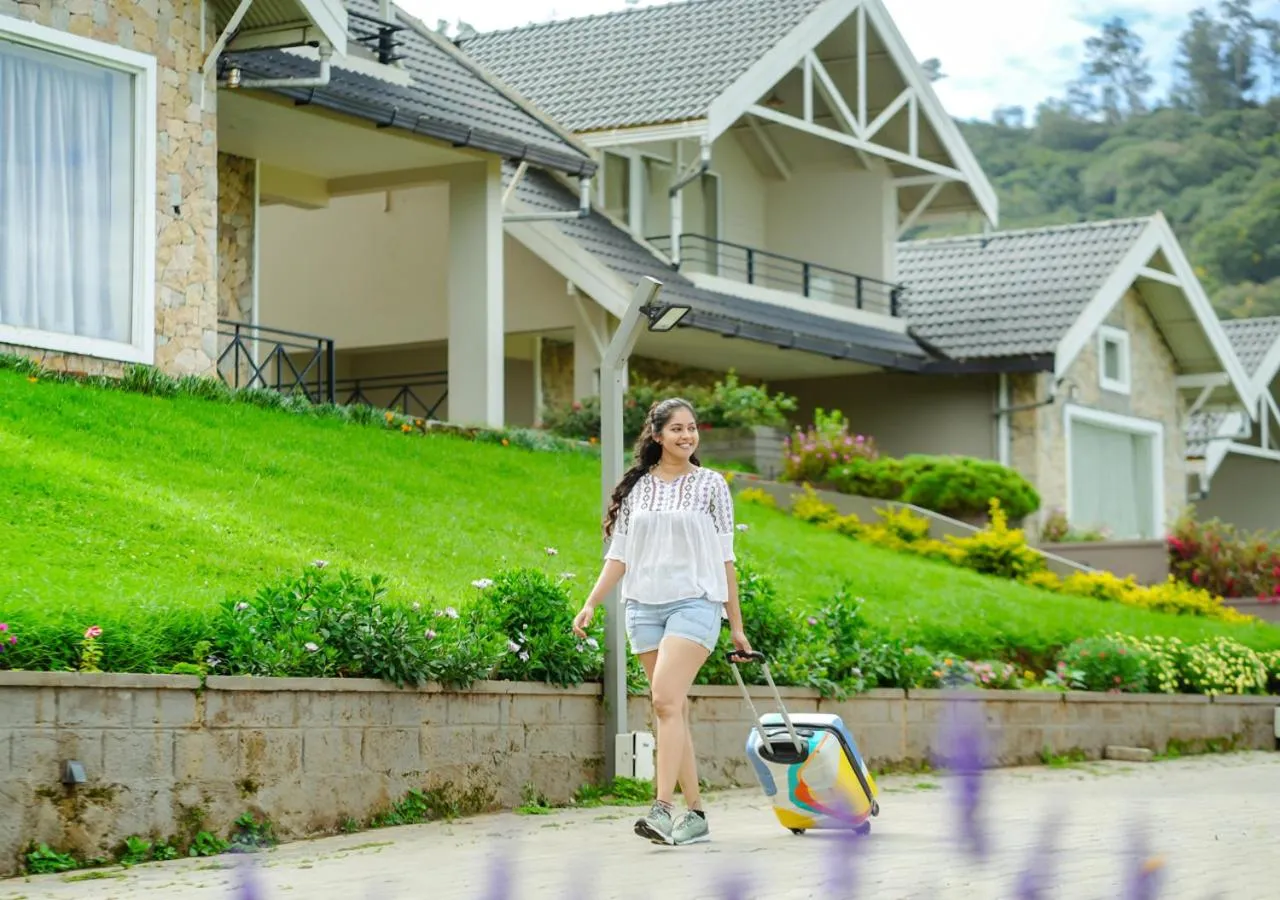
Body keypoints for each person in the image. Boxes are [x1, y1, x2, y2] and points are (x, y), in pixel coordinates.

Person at [572, 397, 753, 846]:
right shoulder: (638, 489)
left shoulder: (711, 485)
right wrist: (592, 603)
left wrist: (736, 624)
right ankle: (696, 814)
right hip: (643, 607)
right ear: (657, 436)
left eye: (692, 428)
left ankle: (662, 808)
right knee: (672, 708)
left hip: (694, 603)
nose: (687, 436)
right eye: (677, 429)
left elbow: (726, 557)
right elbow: (619, 555)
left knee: (664, 702)